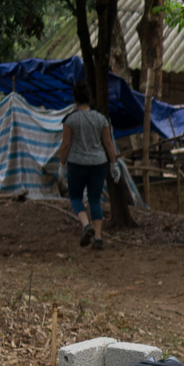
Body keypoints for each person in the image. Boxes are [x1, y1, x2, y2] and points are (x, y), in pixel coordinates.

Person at [55, 95, 118, 250]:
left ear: (75, 99)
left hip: (77, 164)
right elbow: (108, 143)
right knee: (95, 200)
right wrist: (114, 164)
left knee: (75, 197)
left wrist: (62, 166)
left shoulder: (70, 119)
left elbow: (66, 144)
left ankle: (86, 225)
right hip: (99, 163)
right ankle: (98, 239)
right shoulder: (101, 119)